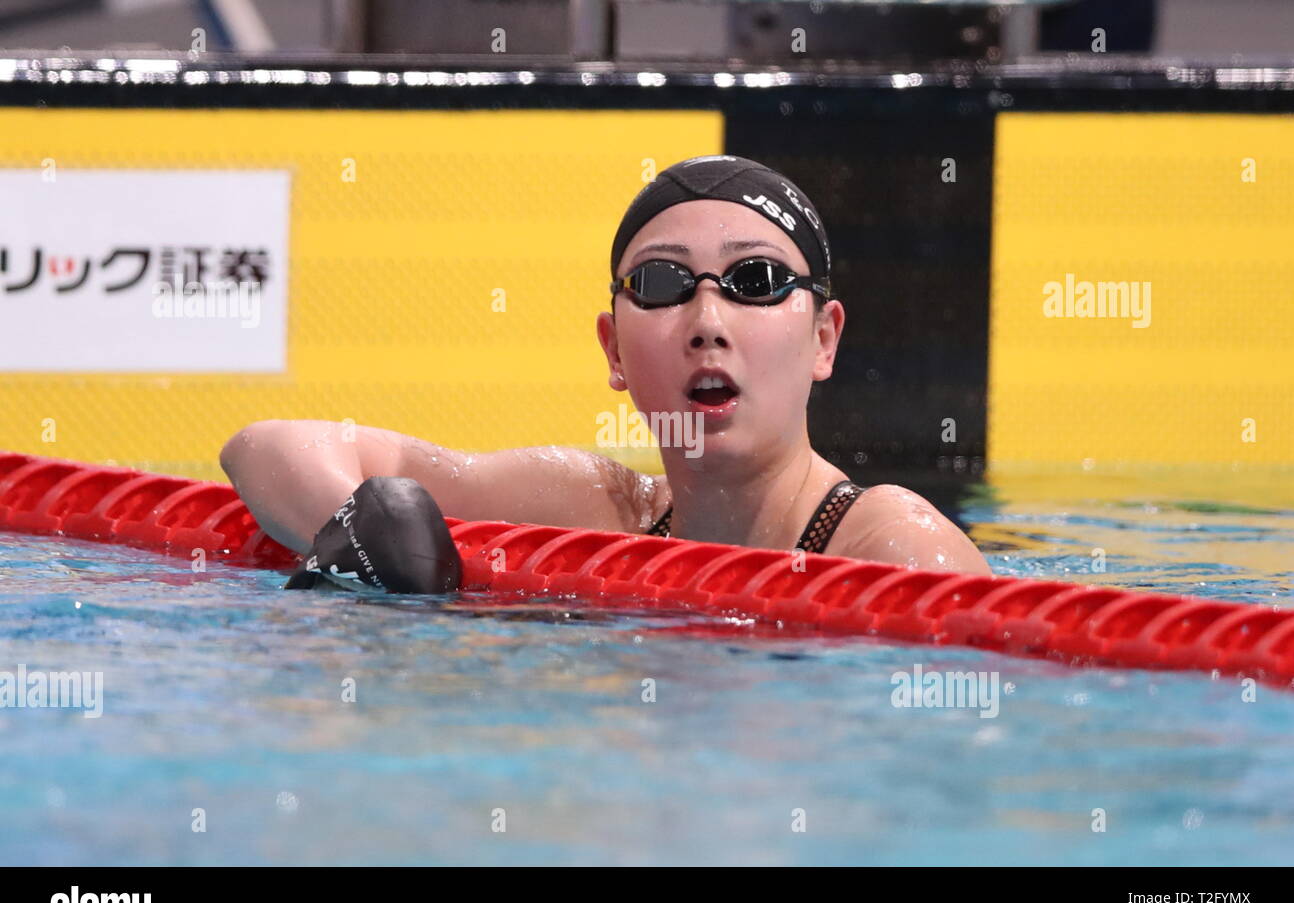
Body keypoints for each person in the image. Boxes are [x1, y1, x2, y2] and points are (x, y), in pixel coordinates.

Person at [221, 155, 991, 584]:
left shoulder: (887, 544)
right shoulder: (596, 510)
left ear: (825, 339)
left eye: (754, 281)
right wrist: (375, 541)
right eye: (661, 285)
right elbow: (269, 445)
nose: (707, 324)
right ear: (614, 352)